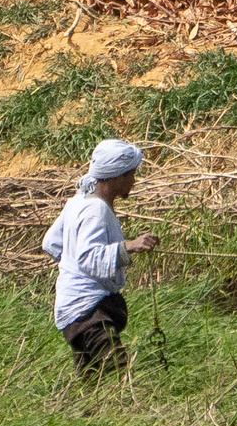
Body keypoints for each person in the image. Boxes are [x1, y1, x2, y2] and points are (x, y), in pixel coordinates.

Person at [41, 139, 159, 372]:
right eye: (131, 175)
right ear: (116, 176)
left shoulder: (77, 202)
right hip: (88, 311)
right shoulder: (96, 209)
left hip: (75, 311)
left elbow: (51, 243)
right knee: (117, 373)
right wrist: (130, 246)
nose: (133, 182)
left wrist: (71, 267)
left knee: (92, 383)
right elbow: (88, 257)